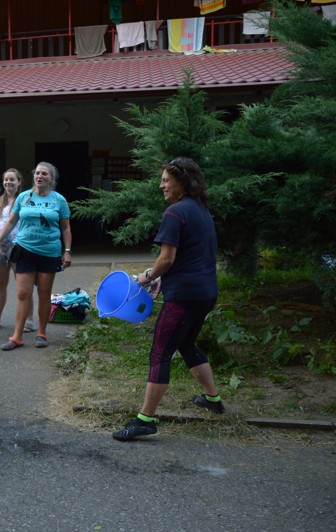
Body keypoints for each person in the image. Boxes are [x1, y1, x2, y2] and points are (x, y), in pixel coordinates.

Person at [113, 157, 224, 441]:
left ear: (182, 182)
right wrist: (164, 276)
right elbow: (192, 254)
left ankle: (145, 419)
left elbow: (167, 258)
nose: (161, 184)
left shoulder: (175, 213)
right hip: (206, 293)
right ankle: (213, 400)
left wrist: (147, 276)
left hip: (184, 297)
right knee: (186, 344)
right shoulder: (201, 209)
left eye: (166, 179)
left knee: (160, 353)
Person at [0, 162, 72, 351]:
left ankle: (41, 333)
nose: (39, 176)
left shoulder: (59, 200)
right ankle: (17, 336)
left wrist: (67, 251)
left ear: (51, 179)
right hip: (25, 250)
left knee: (44, 293)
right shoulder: (24, 197)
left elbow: (66, 227)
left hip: (49, 252)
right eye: (37, 173)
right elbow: (12, 221)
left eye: (44, 174)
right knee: (23, 293)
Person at [0, 168, 35, 333]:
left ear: (19, 182)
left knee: (24, 287)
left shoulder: (25, 200)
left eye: (12, 179)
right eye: (6, 180)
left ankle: (30, 320)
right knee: (0, 285)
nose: (8, 183)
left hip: (20, 248)